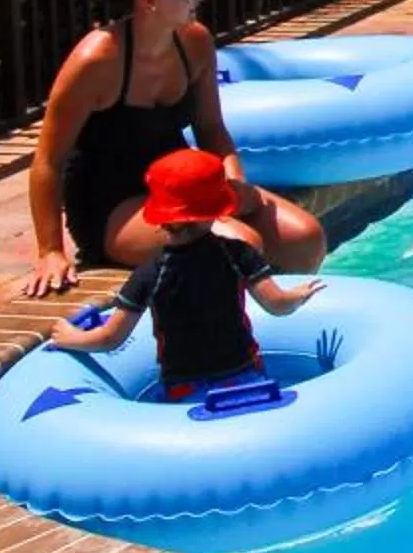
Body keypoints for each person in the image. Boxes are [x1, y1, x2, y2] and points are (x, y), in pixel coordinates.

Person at [23, 0, 328, 297]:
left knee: (305, 239)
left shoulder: (194, 42)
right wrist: (51, 251)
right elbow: (48, 160)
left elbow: (211, 128)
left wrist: (233, 181)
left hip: (182, 186)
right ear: (150, 0)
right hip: (114, 204)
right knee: (238, 245)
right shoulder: (97, 61)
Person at [45, 146, 325, 401]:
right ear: (217, 211)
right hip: (246, 377)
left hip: (184, 390)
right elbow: (277, 305)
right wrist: (298, 296)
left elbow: (110, 339)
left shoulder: (149, 274)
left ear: (161, 217)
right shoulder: (238, 254)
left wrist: (70, 337)